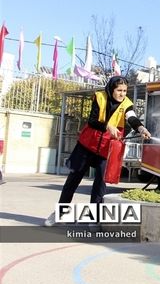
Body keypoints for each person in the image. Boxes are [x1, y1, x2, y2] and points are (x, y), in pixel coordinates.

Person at [44, 76, 151, 226]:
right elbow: (93, 120)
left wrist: (140, 128)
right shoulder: (100, 97)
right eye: (119, 90)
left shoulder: (127, 104)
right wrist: (108, 126)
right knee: (73, 180)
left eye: (125, 91)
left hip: (106, 149)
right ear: (111, 89)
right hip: (87, 145)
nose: (122, 94)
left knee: (100, 184)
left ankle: (94, 218)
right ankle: (60, 213)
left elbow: (131, 118)